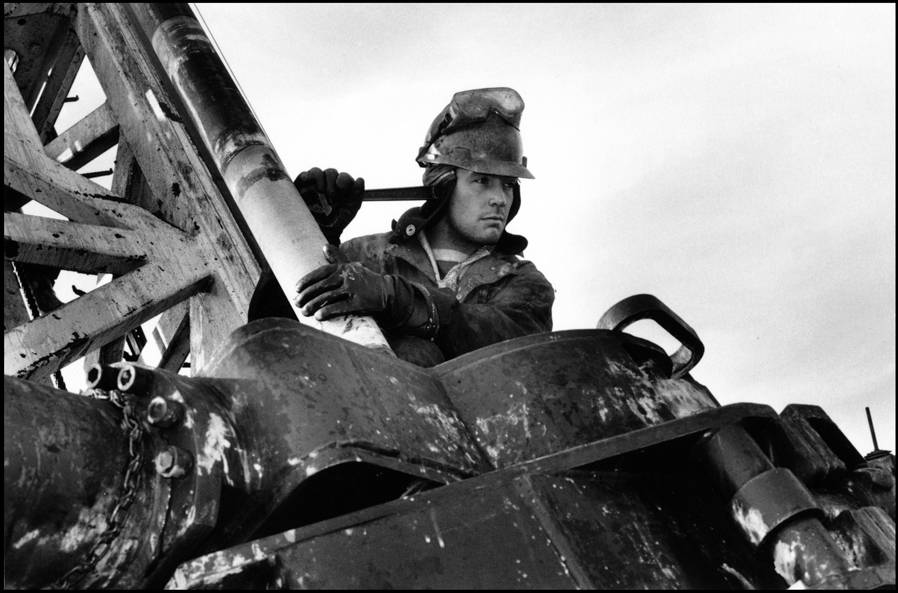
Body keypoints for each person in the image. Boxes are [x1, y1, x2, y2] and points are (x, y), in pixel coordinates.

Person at [250, 87, 554, 367]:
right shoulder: (368, 257)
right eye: (481, 181)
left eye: (508, 185)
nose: (499, 199)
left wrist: (399, 300)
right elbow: (270, 340)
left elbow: (509, 346)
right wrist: (304, 239)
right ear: (443, 183)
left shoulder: (522, 282)